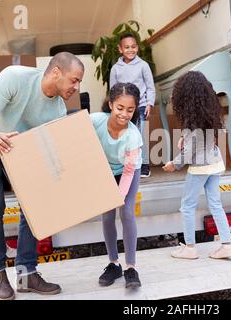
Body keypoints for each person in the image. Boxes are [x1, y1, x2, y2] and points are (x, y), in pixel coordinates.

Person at [0, 52, 84, 300]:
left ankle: (26, 273)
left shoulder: (59, 110)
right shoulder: (15, 78)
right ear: (56, 72)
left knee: (34, 204)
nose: (77, 87)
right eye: (74, 80)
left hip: (20, 150)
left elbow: (48, 151)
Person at [163, 71, 231, 260]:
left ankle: (189, 248)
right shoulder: (209, 113)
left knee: (187, 206)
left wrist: (174, 164)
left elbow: (190, 151)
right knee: (216, 204)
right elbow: (197, 140)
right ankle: (227, 244)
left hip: (200, 168)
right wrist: (183, 137)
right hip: (215, 163)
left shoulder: (192, 120)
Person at [90, 82, 143, 289]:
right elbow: (73, 128)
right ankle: (114, 264)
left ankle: (130, 267)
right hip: (106, 172)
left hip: (128, 172)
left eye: (130, 110)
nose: (124, 114)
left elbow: (129, 172)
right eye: (120, 108)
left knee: (127, 212)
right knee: (107, 214)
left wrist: (118, 196)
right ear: (110, 104)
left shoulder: (133, 136)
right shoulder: (96, 121)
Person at [109, 32, 155, 178]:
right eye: (127, 47)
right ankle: (127, 164)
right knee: (126, 136)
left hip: (141, 106)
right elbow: (113, 90)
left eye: (133, 47)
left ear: (137, 47)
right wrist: (114, 109)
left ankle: (144, 166)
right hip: (124, 110)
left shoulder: (143, 65)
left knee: (141, 135)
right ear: (120, 49)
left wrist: (150, 103)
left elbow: (150, 86)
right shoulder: (116, 68)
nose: (130, 50)